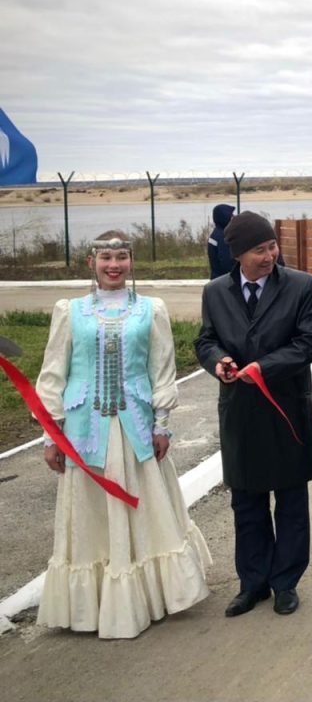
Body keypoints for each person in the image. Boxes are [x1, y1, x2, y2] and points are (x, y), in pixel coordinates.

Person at [35, 231, 211, 639]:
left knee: (144, 509)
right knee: (93, 516)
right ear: (90, 263)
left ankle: (151, 597)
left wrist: (162, 423)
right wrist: (50, 435)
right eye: (105, 258)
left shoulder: (151, 310)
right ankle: (93, 606)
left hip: (135, 429)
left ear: (132, 262)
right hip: (85, 432)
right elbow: (54, 373)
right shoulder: (71, 311)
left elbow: (161, 368)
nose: (113, 265)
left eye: (121, 257)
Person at [195, 211, 312, 618]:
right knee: (246, 501)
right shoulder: (215, 292)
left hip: (286, 407)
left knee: (290, 499)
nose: (269, 256)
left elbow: (309, 343)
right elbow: (206, 340)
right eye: (259, 250)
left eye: (272, 246)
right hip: (240, 412)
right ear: (237, 256)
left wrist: (263, 368)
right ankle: (253, 583)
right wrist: (217, 361)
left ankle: (286, 582)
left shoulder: (303, 286)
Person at [208, 203, 236, 279]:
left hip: (216, 277)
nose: (234, 217)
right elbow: (226, 261)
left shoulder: (216, 233)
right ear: (225, 218)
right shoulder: (222, 237)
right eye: (231, 216)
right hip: (223, 279)